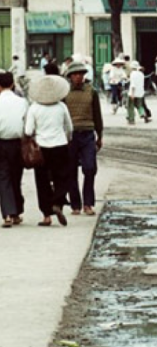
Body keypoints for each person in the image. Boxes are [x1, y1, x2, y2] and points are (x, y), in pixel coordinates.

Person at [25, 74, 73, 226]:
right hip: (60, 145)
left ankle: (46, 215)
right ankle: (58, 202)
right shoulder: (61, 107)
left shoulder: (34, 108)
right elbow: (70, 128)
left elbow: (28, 131)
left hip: (41, 148)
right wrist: (67, 138)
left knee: (42, 181)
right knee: (62, 176)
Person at [63, 62, 104, 216]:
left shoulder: (91, 92)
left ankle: (88, 203)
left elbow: (97, 115)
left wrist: (100, 135)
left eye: (81, 73)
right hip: (70, 135)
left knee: (90, 168)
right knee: (71, 170)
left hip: (87, 134)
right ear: (70, 77)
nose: (78, 76)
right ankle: (75, 204)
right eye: (75, 74)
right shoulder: (64, 93)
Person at [0, 71, 27, 227]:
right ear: (12, 84)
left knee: (4, 177)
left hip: (0, 142)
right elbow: (28, 124)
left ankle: (7, 214)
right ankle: (16, 212)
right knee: (16, 177)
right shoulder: (21, 102)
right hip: (18, 143)